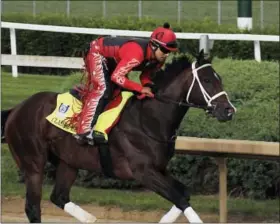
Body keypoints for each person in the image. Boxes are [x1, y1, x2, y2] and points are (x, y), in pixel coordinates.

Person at [74, 22, 178, 142]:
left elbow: (145, 75)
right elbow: (117, 77)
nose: (166, 55)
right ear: (154, 45)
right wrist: (140, 89)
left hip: (113, 59)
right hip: (97, 52)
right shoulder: (136, 54)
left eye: (169, 51)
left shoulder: (158, 59)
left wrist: (148, 86)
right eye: (164, 50)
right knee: (103, 89)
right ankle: (83, 131)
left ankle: (102, 126)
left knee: (118, 92)